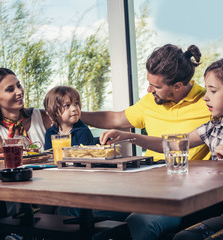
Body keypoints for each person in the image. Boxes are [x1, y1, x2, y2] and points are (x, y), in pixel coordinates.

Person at [100, 57, 223, 240]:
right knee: (183, 238)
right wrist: (129, 137)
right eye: (206, 90)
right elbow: (173, 144)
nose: (206, 97)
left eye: (213, 91)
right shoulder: (213, 127)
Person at [81, 44, 212, 240]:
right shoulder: (151, 100)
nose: (149, 89)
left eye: (156, 86)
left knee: (140, 222)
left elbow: (170, 143)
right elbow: (116, 119)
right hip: (147, 187)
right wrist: (74, 115)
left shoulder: (208, 103)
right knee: (87, 214)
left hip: (186, 194)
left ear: (177, 86)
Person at [0, 68, 52, 154]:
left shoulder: (42, 116)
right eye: (10, 89)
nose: (19, 91)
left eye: (19, 85)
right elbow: (11, 160)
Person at [43, 85, 96, 150]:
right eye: (67, 105)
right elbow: (49, 156)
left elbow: (85, 157)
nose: (74, 108)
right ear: (54, 112)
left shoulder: (83, 131)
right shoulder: (50, 133)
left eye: (76, 104)